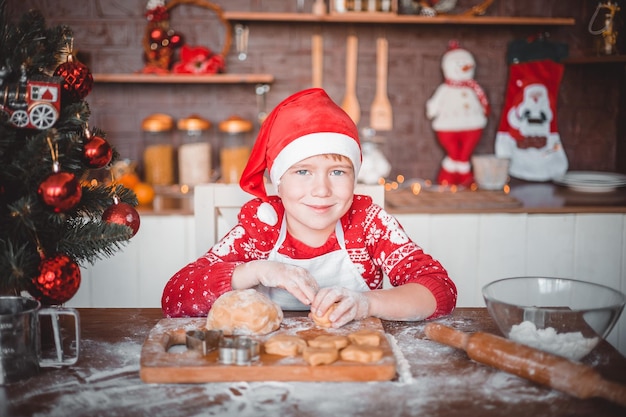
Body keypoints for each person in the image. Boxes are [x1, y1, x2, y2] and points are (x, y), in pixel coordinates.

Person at [161, 88, 457, 327]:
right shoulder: (260, 229)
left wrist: (368, 303)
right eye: (303, 172)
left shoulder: (368, 224)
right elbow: (175, 296)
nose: (322, 190)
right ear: (278, 182)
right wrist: (257, 270)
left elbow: (439, 289)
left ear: (355, 177)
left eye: (338, 172)